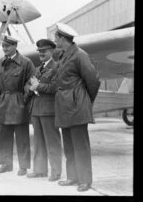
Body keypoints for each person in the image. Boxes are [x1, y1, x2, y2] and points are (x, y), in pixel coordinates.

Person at [54, 23, 100, 192]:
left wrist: (85, 101)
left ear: (62, 38)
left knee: (80, 146)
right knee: (69, 145)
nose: (54, 40)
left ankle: (85, 181)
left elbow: (93, 81)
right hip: (65, 107)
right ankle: (73, 177)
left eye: (56, 37)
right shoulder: (63, 55)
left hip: (77, 106)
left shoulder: (80, 55)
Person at [0, 35, 35, 176]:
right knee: (4, 137)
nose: (4, 49)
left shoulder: (26, 63)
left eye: (7, 46)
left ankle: (23, 166)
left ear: (15, 46)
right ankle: (5, 164)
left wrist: (23, 99)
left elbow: (31, 81)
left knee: (22, 137)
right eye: (3, 46)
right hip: (4, 104)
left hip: (19, 103)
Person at [25, 39, 62, 181]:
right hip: (36, 110)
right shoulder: (37, 69)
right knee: (38, 142)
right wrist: (32, 88)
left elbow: (55, 88)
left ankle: (56, 172)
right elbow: (30, 86)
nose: (41, 53)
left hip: (49, 111)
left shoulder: (57, 68)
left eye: (44, 51)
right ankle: (40, 170)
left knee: (52, 142)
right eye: (39, 51)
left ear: (51, 51)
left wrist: (37, 86)